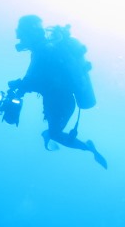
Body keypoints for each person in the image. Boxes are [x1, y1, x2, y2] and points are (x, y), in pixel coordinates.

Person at [8, 15, 108, 170]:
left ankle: (89, 148)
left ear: (30, 33)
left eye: (22, 34)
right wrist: (21, 85)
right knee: (54, 132)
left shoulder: (43, 50)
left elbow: (39, 81)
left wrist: (21, 86)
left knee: (55, 134)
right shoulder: (46, 48)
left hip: (60, 103)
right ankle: (54, 136)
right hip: (59, 102)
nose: (19, 38)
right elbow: (38, 78)